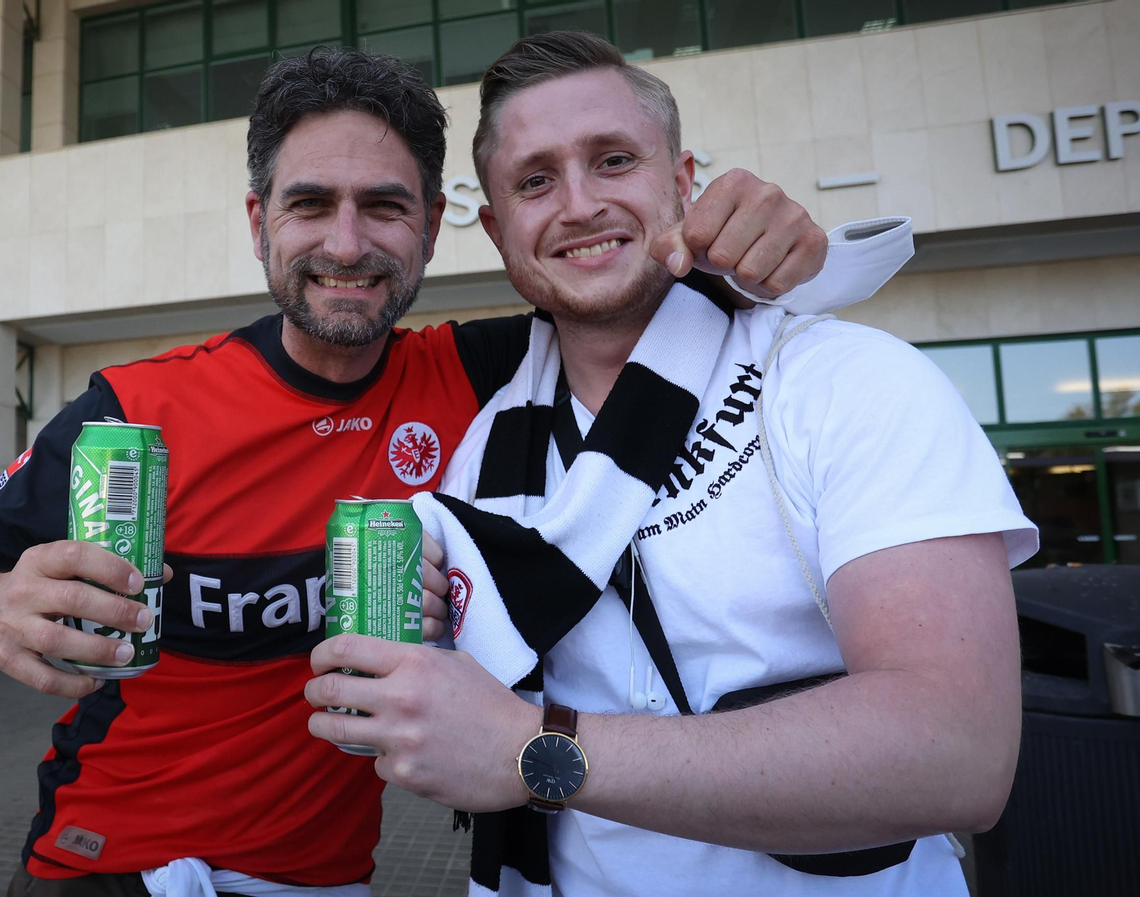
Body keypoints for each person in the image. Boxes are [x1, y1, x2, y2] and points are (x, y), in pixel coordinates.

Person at [0, 47, 907, 897]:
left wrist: (759, 237)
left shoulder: (485, 374)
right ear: (258, 218)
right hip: (102, 869)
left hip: (325, 881)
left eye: (386, 208)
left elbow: (628, 286)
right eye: (310, 204)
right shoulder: (139, 407)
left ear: (439, 225)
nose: (348, 244)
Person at [301, 32, 1038, 897]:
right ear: (498, 228)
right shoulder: (482, 458)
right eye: (536, 180)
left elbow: (957, 753)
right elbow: (470, 683)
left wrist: (537, 749)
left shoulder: (842, 380)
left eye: (613, 160)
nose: (578, 204)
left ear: (682, 181)